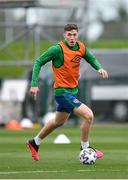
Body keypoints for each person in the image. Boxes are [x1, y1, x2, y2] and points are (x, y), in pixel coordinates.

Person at [27, 24, 108, 161]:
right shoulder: (57, 49)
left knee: (58, 122)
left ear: (77, 35)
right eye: (69, 35)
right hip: (62, 92)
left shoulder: (80, 47)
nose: (72, 37)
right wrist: (34, 84)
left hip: (72, 92)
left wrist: (99, 68)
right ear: (64, 35)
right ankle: (85, 148)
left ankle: (34, 142)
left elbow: (91, 58)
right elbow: (38, 62)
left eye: (74, 34)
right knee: (89, 116)